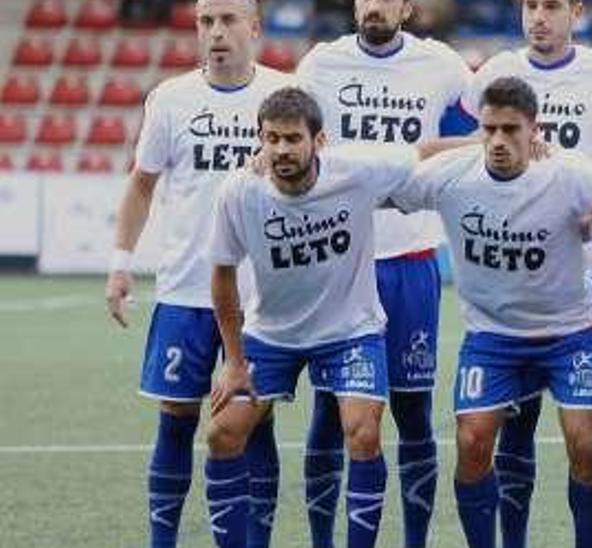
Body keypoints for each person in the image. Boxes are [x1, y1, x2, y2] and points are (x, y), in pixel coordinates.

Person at [104, 1, 292, 545]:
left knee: (253, 421)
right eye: (206, 21)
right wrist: (120, 263)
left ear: (254, 28)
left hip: (261, 298)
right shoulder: (171, 99)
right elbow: (142, 184)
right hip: (185, 289)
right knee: (176, 416)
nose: (217, 32)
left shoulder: (282, 97)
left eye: (229, 20)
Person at [204, 87, 424, 548]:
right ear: (259, 140)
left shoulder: (358, 173)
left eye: (292, 139)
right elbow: (222, 275)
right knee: (223, 433)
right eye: (272, 139)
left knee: (362, 433)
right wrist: (234, 361)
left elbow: (422, 152)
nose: (281, 149)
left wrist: (484, 141)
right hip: (272, 336)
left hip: (351, 333)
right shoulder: (239, 192)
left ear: (318, 140)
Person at [402, 77, 592, 548]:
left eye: (511, 130)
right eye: (489, 129)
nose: (498, 141)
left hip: (570, 333)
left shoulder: (569, 172)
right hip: (492, 337)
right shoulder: (453, 172)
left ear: (534, 129)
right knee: (472, 441)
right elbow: (388, 178)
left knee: (585, 444)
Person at [293, 0, 475, 545]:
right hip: (339, 261)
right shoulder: (320, 65)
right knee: (330, 412)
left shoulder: (442, 65)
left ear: (407, 7)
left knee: (413, 411)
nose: (374, 4)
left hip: (411, 261)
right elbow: (287, 137)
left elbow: (472, 143)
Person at [462, 3, 592, 543]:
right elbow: (477, 149)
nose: (539, 16)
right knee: (513, 428)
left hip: (588, 278)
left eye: (552, 5)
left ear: (576, 11)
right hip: (514, 274)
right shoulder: (495, 72)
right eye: (530, 5)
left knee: (586, 431)